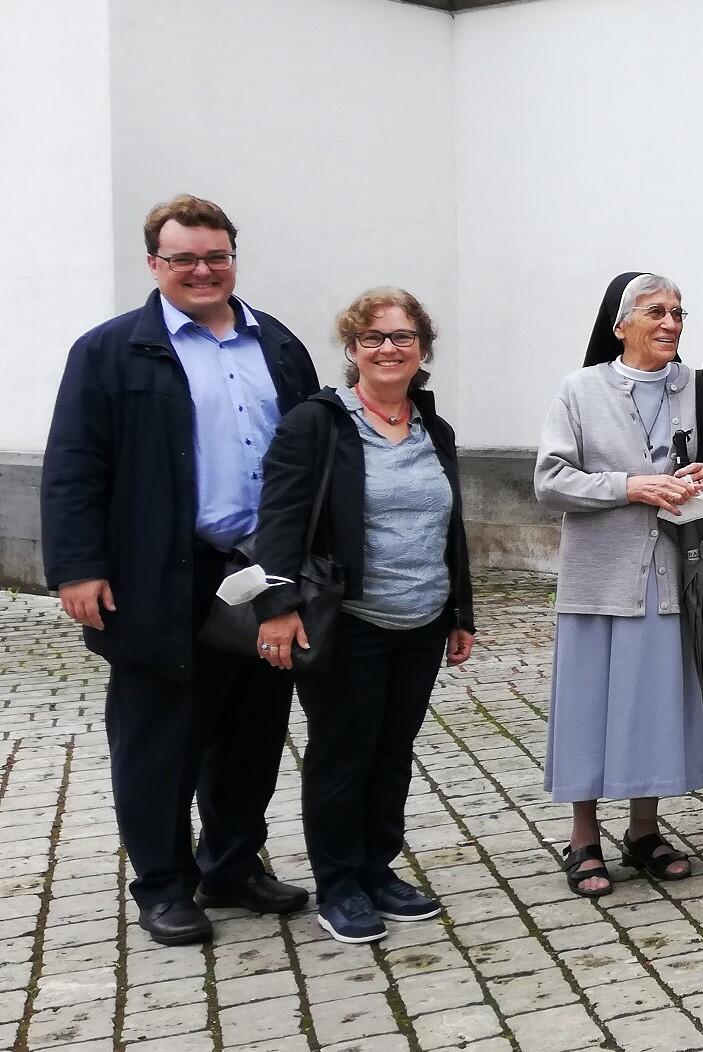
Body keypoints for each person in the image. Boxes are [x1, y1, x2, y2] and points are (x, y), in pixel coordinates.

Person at [40, 195, 317, 945]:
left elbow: (313, 458)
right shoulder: (109, 351)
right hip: (158, 576)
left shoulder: (281, 345)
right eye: (184, 257)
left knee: (253, 731)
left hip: (263, 575)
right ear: (154, 263)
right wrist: (75, 567)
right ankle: (164, 884)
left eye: (216, 255)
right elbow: (74, 466)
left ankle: (231, 864)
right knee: (160, 739)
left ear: (234, 256)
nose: (203, 270)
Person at [251, 288, 477, 943]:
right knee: (341, 755)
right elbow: (280, 521)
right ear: (352, 350)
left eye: (402, 337)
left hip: (422, 623)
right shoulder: (316, 423)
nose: (388, 348)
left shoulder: (435, 429)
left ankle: (378, 869)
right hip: (347, 621)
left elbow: (449, 527)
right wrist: (278, 607)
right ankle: (340, 884)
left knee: (391, 753)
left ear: (422, 349)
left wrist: (460, 610)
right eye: (373, 338)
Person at [535, 273, 703, 897]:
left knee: (651, 703)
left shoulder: (699, 388)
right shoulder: (580, 390)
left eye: (678, 311)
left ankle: (644, 831)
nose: (670, 323)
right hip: (599, 574)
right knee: (590, 704)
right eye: (655, 312)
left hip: (671, 574)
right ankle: (583, 837)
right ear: (621, 325)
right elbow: (550, 481)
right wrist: (632, 486)